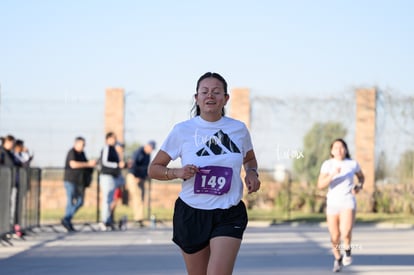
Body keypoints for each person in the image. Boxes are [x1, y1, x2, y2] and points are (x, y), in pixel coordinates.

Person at [148, 72, 261, 275]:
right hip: (192, 212)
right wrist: (177, 172)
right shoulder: (182, 130)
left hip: (229, 212)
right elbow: (154, 168)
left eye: (217, 92)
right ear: (197, 98)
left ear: (225, 99)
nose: (210, 96)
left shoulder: (238, 129)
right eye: (205, 91)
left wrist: (252, 173)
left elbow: (250, 160)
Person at [317, 138, 365, 272]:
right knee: (334, 236)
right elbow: (320, 185)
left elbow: (361, 177)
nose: (339, 150)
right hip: (332, 203)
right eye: (336, 148)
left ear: (346, 149)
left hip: (347, 201)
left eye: (342, 147)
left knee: (346, 231)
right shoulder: (327, 165)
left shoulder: (352, 164)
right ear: (332, 151)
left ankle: (347, 249)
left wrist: (359, 186)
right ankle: (338, 259)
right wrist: (332, 174)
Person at [61, 136, 96, 232]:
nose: (83, 146)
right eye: (81, 144)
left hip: (80, 182)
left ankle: (67, 218)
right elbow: (73, 164)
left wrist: (91, 165)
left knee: (80, 201)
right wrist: (88, 164)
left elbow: (86, 164)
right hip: (70, 180)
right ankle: (67, 220)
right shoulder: (71, 152)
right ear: (76, 144)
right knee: (71, 201)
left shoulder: (83, 154)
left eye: (84, 145)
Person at [126, 140, 156, 227]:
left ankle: (139, 219)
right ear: (147, 146)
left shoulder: (148, 155)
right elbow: (133, 164)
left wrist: (144, 176)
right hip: (133, 177)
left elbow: (146, 167)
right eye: (151, 147)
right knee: (137, 198)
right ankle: (137, 219)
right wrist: (135, 176)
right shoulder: (138, 152)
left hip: (141, 178)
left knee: (141, 198)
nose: (151, 150)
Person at [99, 132, 125, 230]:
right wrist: (117, 165)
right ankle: (104, 221)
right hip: (106, 176)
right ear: (108, 139)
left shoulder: (114, 149)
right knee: (106, 200)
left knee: (111, 200)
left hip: (113, 177)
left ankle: (108, 220)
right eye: (113, 138)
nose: (114, 140)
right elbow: (105, 162)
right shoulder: (107, 148)